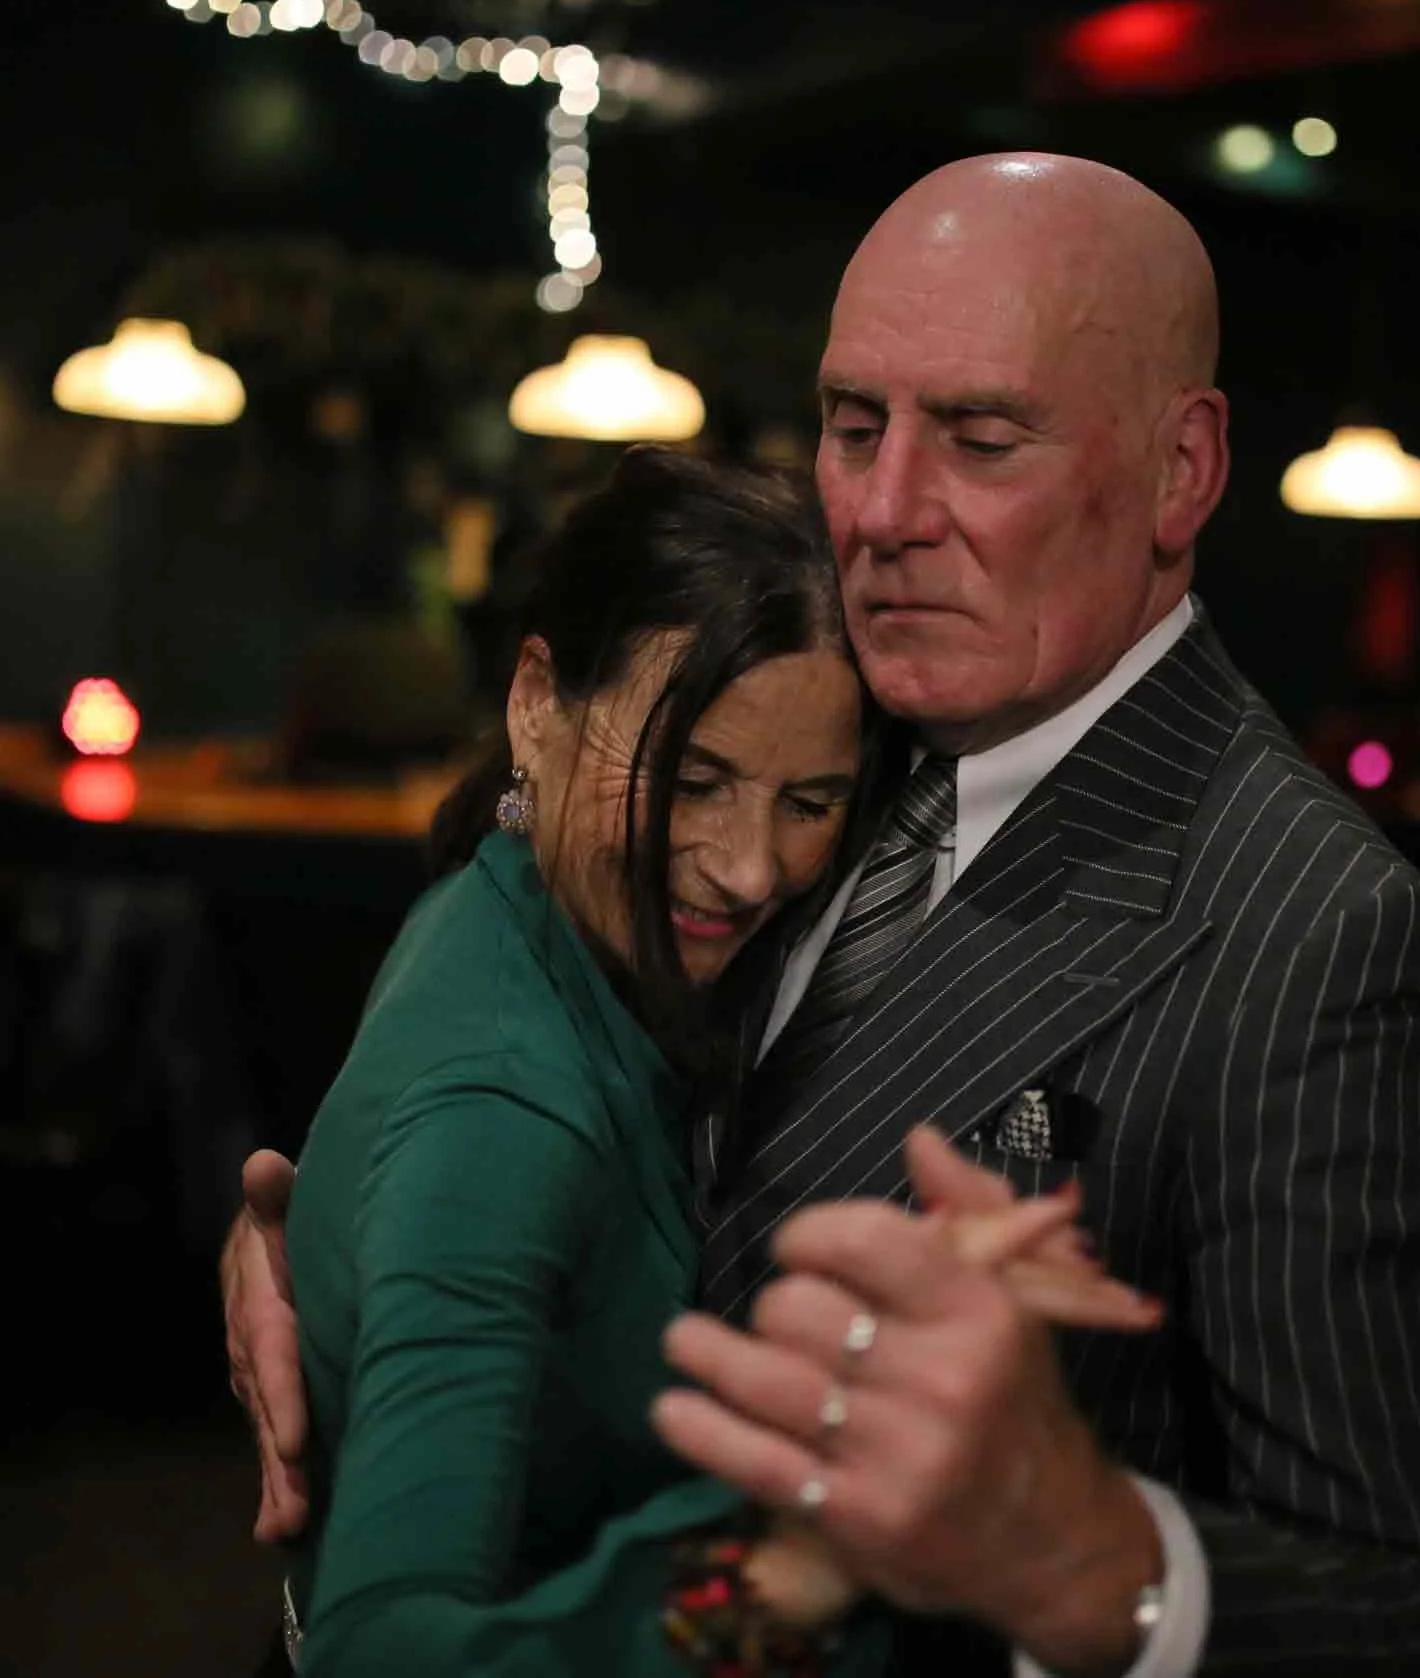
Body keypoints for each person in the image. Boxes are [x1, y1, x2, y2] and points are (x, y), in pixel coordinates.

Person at [228, 154, 1420, 1676]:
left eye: (983, 438)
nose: (887, 511)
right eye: (856, 427)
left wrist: (1098, 1555)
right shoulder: (829, 713)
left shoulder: (1314, 935)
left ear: (1183, 471)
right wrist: (353, 1271)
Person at [264, 446, 1158, 1676]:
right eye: (693, 780)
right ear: (537, 701)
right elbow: (380, 1649)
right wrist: (799, 1566)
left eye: (809, 801)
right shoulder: (504, 1117)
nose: (749, 866)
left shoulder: (520, 905)